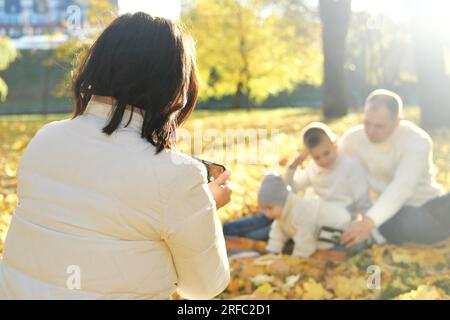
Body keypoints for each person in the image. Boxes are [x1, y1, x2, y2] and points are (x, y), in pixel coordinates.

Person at [0, 12, 232, 300]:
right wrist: (203, 207)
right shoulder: (176, 175)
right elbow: (202, 288)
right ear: (174, 88)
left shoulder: (45, 138)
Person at [224, 122, 373, 250]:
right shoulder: (314, 168)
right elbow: (290, 188)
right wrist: (295, 165)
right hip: (308, 213)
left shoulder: (351, 166)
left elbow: (363, 201)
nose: (323, 160)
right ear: (310, 155)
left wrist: (368, 227)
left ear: (335, 144)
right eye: (316, 157)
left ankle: (234, 238)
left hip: (327, 222)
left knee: (262, 233)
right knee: (268, 215)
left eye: (326, 153)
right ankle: (224, 229)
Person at [340, 89, 450, 248]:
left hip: (427, 205)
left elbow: (402, 187)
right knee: (398, 223)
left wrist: (368, 223)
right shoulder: (352, 140)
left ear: (397, 122)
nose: (371, 131)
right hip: (393, 216)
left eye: (379, 126)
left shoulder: (417, 140)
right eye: (367, 123)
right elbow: (335, 172)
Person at [258, 173, 351, 257]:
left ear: (283, 201)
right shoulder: (282, 213)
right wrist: (272, 251)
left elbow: (305, 241)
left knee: (321, 253)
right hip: (317, 228)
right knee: (305, 239)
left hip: (339, 225)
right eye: (264, 210)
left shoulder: (300, 212)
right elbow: (278, 233)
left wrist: (295, 260)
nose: (267, 213)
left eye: (270, 208)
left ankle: (336, 250)